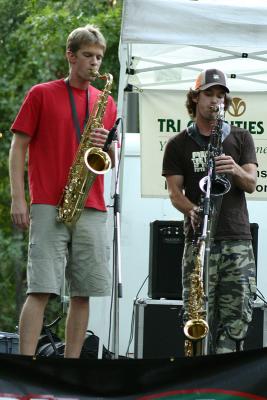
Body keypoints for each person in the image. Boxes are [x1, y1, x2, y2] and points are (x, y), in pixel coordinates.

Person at [9, 24, 117, 358]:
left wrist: (106, 146)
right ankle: (26, 367)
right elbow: (17, 146)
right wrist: (18, 198)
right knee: (40, 289)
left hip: (93, 203)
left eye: (98, 57)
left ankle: (71, 369)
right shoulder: (41, 93)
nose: (94, 63)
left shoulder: (106, 101)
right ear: (70, 56)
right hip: (47, 203)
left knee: (83, 293)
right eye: (87, 55)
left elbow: (110, 159)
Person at [162, 68, 258, 354]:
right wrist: (192, 209)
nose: (215, 101)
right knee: (196, 319)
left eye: (220, 96)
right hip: (199, 241)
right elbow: (174, 194)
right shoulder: (178, 144)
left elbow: (252, 183)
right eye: (209, 95)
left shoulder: (241, 137)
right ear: (195, 97)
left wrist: (236, 169)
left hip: (236, 240)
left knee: (235, 322)